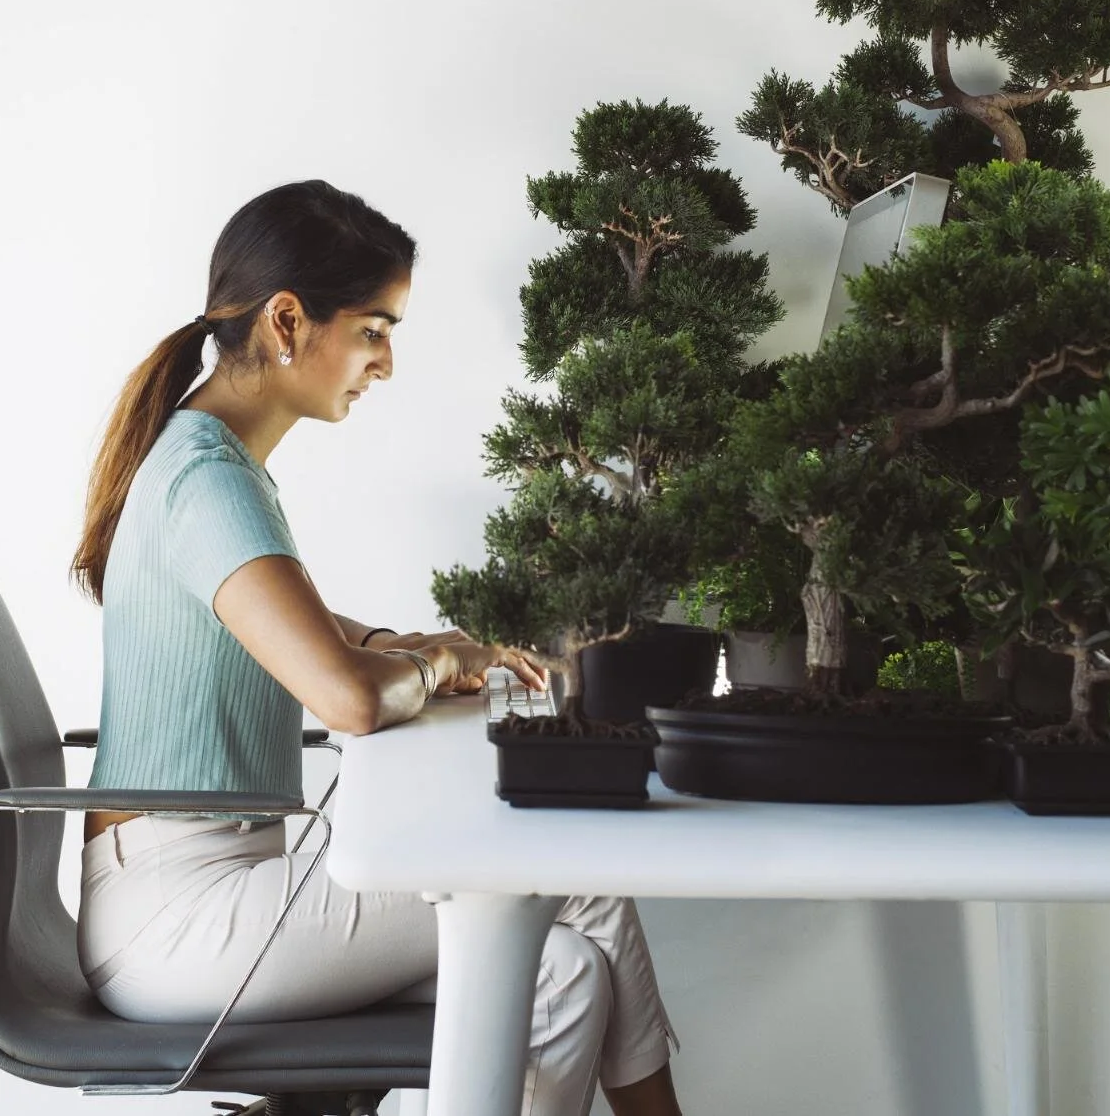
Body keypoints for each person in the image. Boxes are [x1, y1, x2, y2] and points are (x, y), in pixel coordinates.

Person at [69, 180, 682, 1116]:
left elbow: (289, 623)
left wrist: (407, 642)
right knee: (569, 866)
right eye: (372, 329)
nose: (385, 363)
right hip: (176, 922)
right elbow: (348, 700)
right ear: (287, 321)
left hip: (206, 895)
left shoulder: (212, 462)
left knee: (555, 975)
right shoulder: (205, 478)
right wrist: (430, 666)